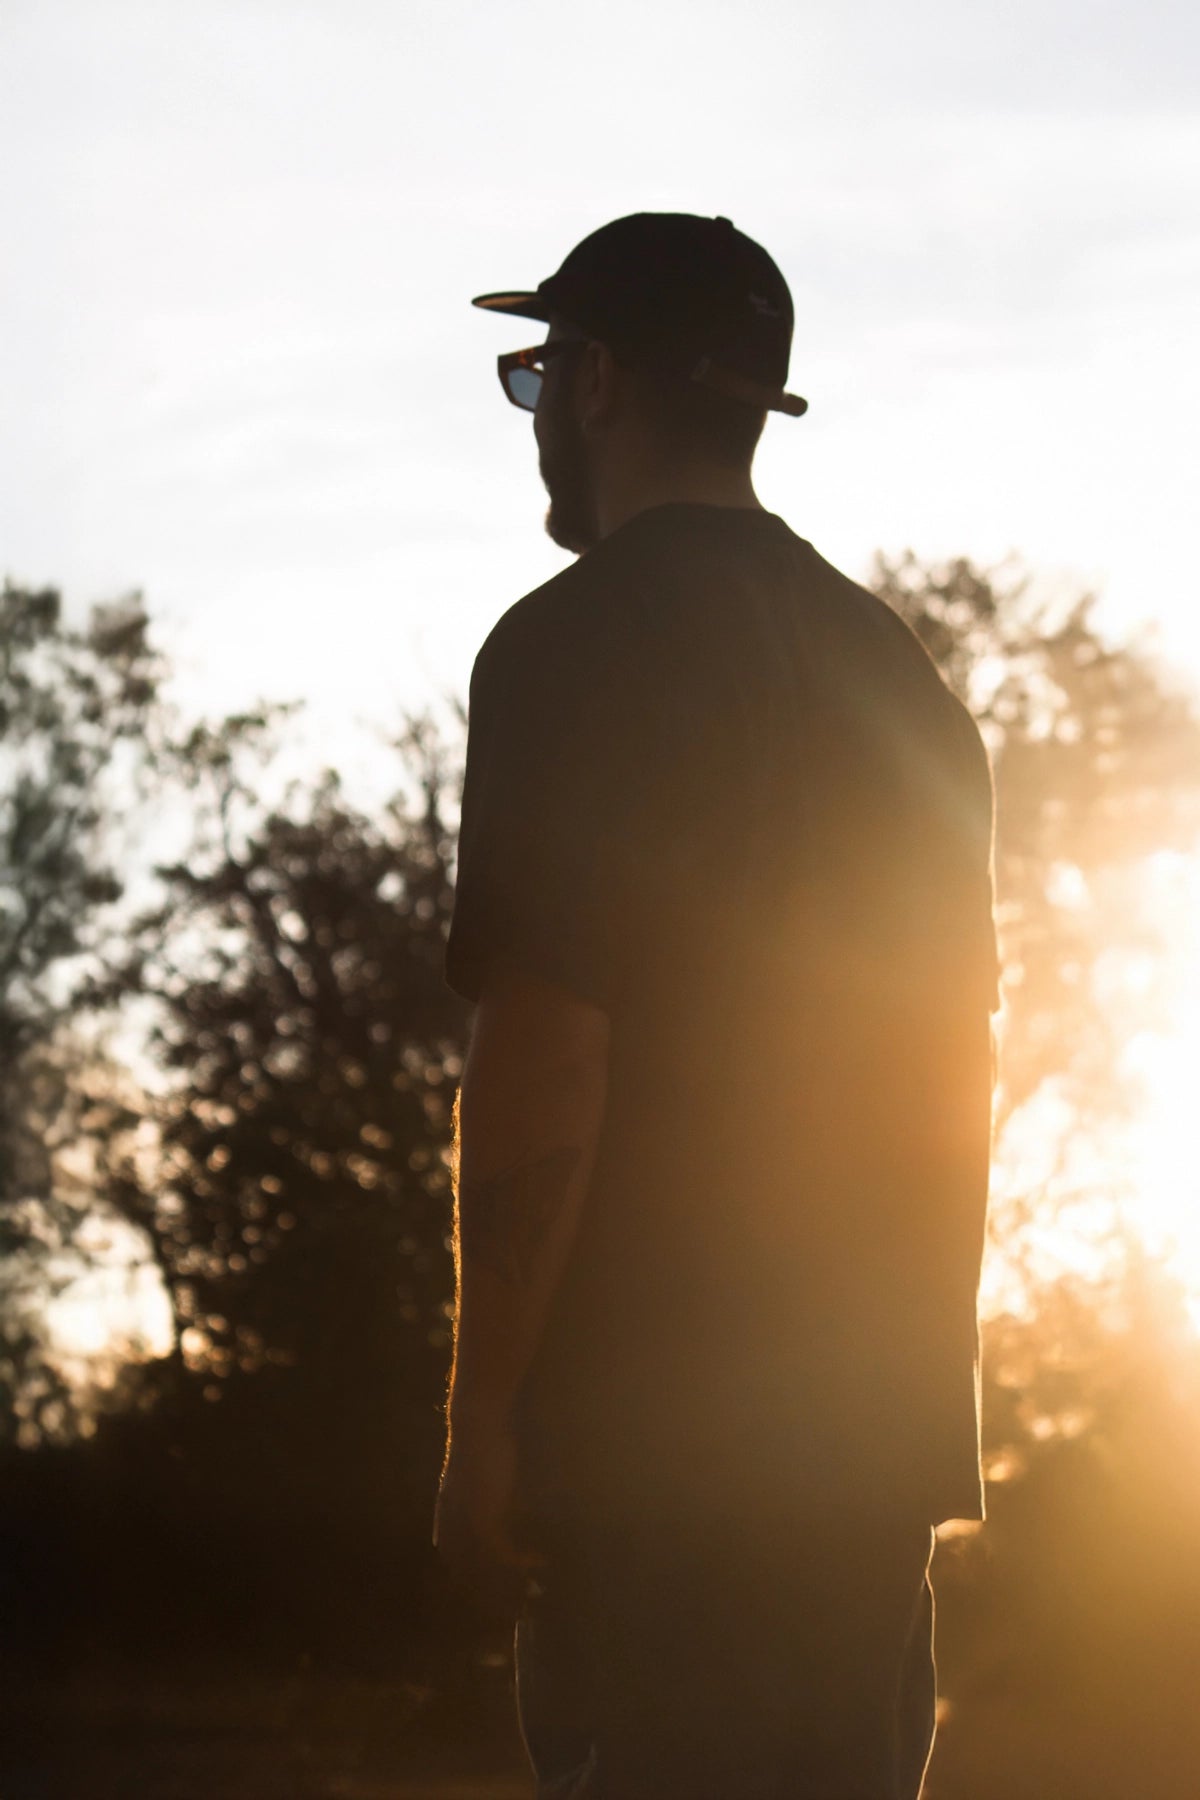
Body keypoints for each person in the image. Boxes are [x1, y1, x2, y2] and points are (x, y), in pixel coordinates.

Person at [432, 212, 1000, 1800]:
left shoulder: (570, 643)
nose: (536, 404)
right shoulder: (908, 686)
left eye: (538, 367)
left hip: (655, 1482)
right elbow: (958, 1068)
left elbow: (547, 1055)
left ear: (596, 378)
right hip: (868, 1478)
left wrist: (482, 1422)